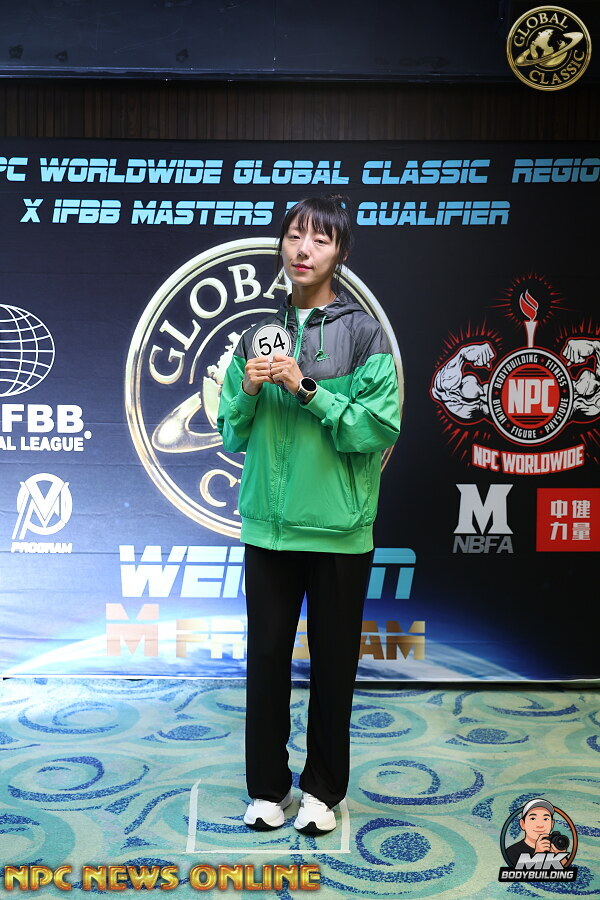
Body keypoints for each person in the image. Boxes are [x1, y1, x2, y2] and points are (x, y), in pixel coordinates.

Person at [216, 195, 401, 835]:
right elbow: (231, 433)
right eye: (295, 236)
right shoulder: (255, 335)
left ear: (339, 253)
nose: (303, 250)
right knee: (266, 662)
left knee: (333, 667)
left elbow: (376, 428)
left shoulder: (364, 334)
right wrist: (247, 389)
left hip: (340, 532)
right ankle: (268, 790)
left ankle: (323, 791)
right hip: (269, 529)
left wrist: (306, 387)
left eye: (320, 239)